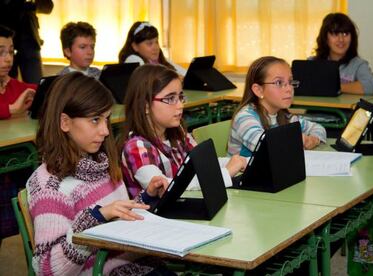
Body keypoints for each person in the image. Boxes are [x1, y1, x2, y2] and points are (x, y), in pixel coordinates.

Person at [26, 72, 174, 275]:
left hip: (140, 265)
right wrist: (93, 220)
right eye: (95, 120)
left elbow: (117, 223)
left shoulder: (100, 163)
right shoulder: (49, 186)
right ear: (65, 122)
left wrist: (146, 197)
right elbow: (48, 270)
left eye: (106, 119)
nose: (105, 130)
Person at [119, 64, 245, 198]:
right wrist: (227, 172)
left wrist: (241, 161)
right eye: (170, 99)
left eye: (180, 97)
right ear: (145, 106)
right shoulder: (137, 147)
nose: (180, 105)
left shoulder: (177, 133)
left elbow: (206, 164)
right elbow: (166, 185)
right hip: (159, 216)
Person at [228, 56, 327, 157]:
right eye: (279, 82)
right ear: (258, 90)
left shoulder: (285, 116)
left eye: (290, 82)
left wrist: (313, 139)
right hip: (243, 172)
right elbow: (264, 146)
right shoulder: (244, 117)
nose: (289, 89)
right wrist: (295, 141)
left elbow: (318, 128)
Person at [313, 12, 373, 96]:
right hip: (316, 109)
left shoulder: (359, 64)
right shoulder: (312, 63)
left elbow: (370, 86)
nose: (341, 40)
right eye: (335, 34)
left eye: (345, 34)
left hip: (347, 109)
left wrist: (336, 87)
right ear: (325, 38)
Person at [0, 0, 53, 84]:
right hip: (4, 40)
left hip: (29, 40)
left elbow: (48, 7)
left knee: (36, 87)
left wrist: (30, 5)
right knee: (6, 88)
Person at [118, 21, 186, 76]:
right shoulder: (132, 60)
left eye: (156, 42)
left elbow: (186, 74)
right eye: (149, 44)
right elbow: (150, 81)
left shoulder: (163, 60)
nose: (156, 47)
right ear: (135, 47)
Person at [0, 25, 36, 119]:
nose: (9, 59)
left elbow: (40, 89)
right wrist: (13, 108)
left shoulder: (13, 85)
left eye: (11, 52)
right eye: (0, 52)